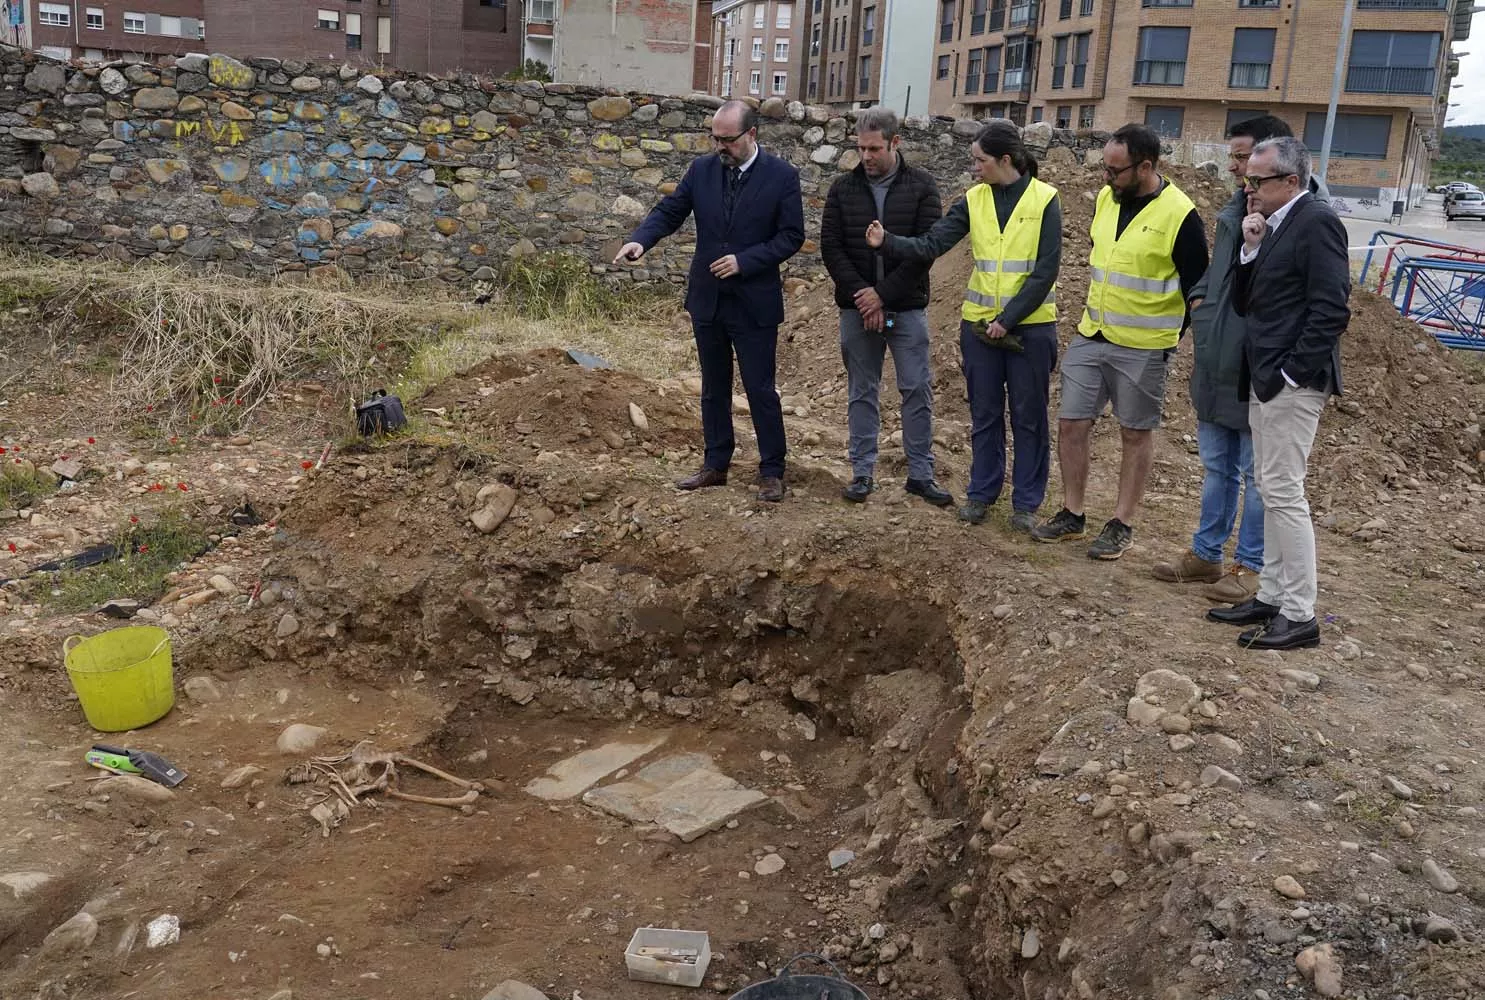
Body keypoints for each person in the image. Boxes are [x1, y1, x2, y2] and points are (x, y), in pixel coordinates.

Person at [866, 120, 1060, 530]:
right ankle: (981, 493)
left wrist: (1008, 320)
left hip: (1029, 331)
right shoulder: (975, 199)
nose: (973, 167)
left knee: (1029, 417)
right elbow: (933, 243)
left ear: (1005, 160)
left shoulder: (1046, 200)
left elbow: (1044, 272)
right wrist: (889, 242)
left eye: (980, 161)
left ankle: (1025, 503)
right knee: (986, 415)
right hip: (979, 331)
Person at [1031, 123, 1208, 559]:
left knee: (1135, 433)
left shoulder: (1180, 214)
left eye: (1115, 171)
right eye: (1105, 169)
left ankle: (1122, 522)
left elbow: (1196, 287)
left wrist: (1168, 340)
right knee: (1071, 423)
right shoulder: (1109, 201)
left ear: (1145, 166)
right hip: (1093, 333)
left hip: (1145, 347)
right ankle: (1073, 513)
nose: (1105, 179)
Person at [614, 100, 805, 503]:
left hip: (754, 301)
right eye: (714, 138)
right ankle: (715, 464)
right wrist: (640, 240)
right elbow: (671, 211)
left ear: (751, 135)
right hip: (709, 299)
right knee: (713, 387)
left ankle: (772, 470)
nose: (719, 146)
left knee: (760, 388)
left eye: (727, 139)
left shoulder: (782, 176)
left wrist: (744, 261)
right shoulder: (701, 170)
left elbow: (791, 236)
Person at [1207, 137, 1349, 651]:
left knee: (1285, 493)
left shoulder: (1316, 221)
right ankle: (1270, 595)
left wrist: (1291, 374)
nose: (1249, 188)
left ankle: (1299, 613)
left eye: (1258, 181)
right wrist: (1250, 246)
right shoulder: (1274, 224)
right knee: (1269, 489)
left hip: (1291, 382)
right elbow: (1247, 304)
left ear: (1291, 181)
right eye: (1248, 179)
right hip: (1265, 378)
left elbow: (1332, 309)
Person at [1152, 115, 1292, 602]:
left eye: (1242, 158)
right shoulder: (1236, 212)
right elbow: (1217, 277)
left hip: (1257, 369)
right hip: (1217, 361)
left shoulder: (1295, 221)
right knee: (1217, 465)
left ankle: (1250, 566)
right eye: (1235, 158)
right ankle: (1207, 553)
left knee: (1258, 476)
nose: (1235, 168)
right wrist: (1200, 304)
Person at [820, 107, 952, 508]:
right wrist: (864, 295)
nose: (867, 157)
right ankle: (862, 472)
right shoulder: (843, 189)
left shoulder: (923, 187)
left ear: (895, 143)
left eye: (874, 148)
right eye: (861, 148)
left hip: (906, 308)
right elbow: (832, 248)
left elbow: (924, 252)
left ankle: (920, 474)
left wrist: (884, 296)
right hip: (857, 309)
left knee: (915, 388)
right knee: (863, 390)